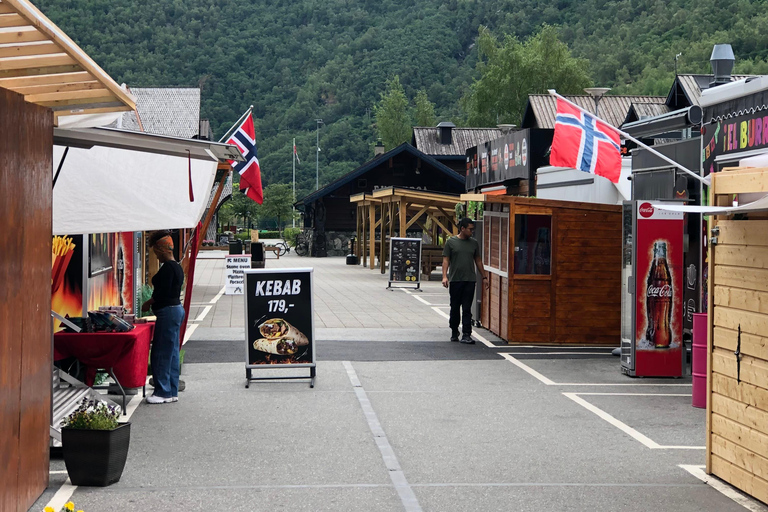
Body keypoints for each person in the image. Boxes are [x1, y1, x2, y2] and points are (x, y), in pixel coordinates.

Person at [141, 230, 184, 404]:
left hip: (167, 311)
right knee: (172, 352)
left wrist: (149, 302)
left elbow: (162, 293)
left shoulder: (167, 269)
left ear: (164, 249)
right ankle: (172, 390)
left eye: (157, 251)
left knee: (161, 352)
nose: (156, 255)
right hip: (175, 310)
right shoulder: (177, 266)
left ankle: (162, 392)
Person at [442, 218, 488, 344]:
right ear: (462, 228)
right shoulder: (451, 242)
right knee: (455, 307)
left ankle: (467, 334)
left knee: (467, 308)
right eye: (470, 229)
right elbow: (446, 260)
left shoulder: (474, 243)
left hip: (470, 280)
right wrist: (444, 276)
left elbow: (478, 260)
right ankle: (454, 330)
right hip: (456, 279)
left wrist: (484, 277)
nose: (472, 231)